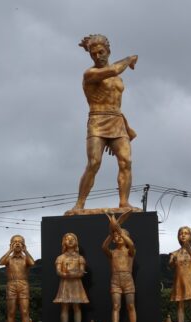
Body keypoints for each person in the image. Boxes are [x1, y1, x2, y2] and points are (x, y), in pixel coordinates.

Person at [72, 34, 139, 213]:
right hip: (97, 120)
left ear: (108, 51)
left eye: (101, 52)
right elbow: (114, 69)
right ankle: (79, 204)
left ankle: (124, 202)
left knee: (126, 162)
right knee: (94, 162)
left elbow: (115, 72)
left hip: (117, 121)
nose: (98, 56)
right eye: (93, 54)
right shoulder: (90, 74)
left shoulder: (118, 78)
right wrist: (129, 59)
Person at [101, 212, 136, 322]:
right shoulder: (112, 252)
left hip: (128, 279)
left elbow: (131, 244)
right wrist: (112, 232)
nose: (119, 237)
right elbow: (104, 246)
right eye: (117, 237)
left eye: (122, 236)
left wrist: (119, 229)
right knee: (116, 306)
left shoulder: (130, 251)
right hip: (115, 279)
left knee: (130, 305)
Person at [0, 235, 36, 322]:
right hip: (11, 285)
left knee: (25, 311)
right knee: (11, 311)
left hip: (23, 285)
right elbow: (1, 262)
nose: (17, 243)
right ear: (11, 244)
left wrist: (26, 251)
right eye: (15, 242)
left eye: (20, 242)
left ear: (23, 244)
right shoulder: (9, 259)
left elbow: (32, 263)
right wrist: (9, 251)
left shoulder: (25, 258)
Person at [53, 232, 89, 322]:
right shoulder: (60, 258)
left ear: (76, 242)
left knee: (77, 307)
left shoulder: (80, 258)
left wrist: (74, 274)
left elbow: (82, 272)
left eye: (72, 239)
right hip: (65, 283)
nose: (70, 241)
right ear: (64, 242)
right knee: (64, 307)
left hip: (76, 283)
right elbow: (58, 272)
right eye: (67, 239)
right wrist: (66, 274)